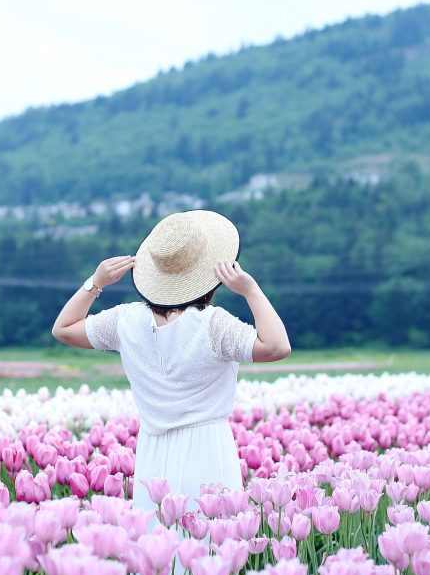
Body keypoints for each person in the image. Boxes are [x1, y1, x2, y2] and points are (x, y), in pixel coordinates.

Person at [51, 210, 291, 518]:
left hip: (152, 451)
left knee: (157, 553)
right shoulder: (213, 325)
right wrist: (251, 291)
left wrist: (95, 283)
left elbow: (63, 329)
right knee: (209, 551)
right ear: (210, 276)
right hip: (208, 449)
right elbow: (277, 346)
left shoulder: (126, 320)